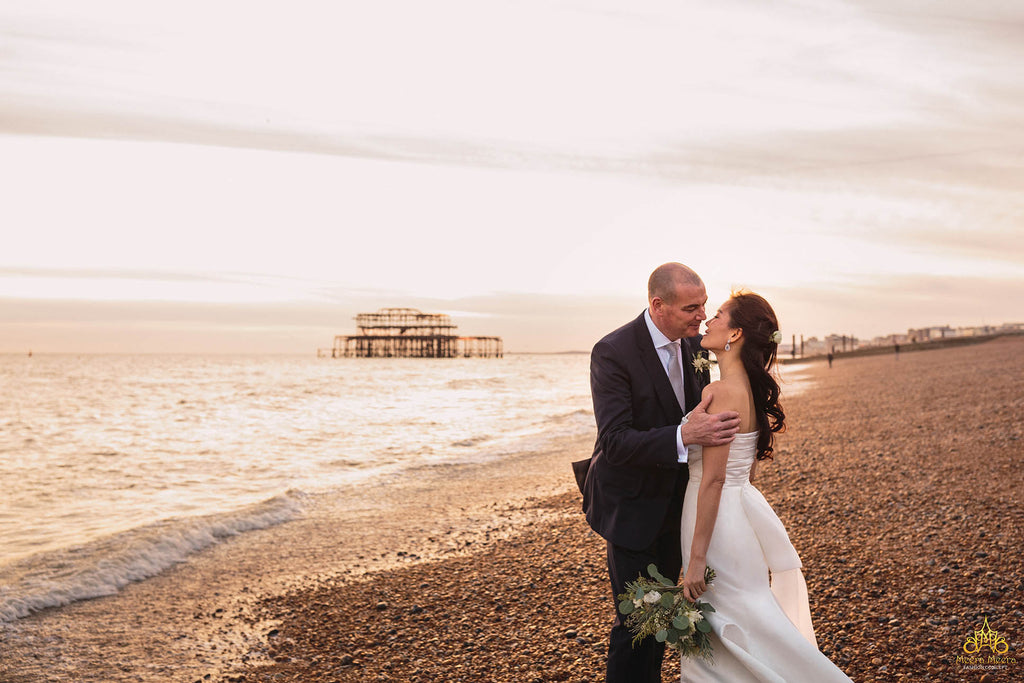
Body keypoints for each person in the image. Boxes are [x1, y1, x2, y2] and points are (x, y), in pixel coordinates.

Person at [577, 263, 741, 683]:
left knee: (677, 616)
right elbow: (614, 441)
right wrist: (684, 434)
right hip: (631, 506)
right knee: (640, 626)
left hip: (682, 505)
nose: (702, 315)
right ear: (658, 305)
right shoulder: (612, 352)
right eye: (691, 307)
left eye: (705, 304)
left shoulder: (696, 348)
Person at [678, 292, 852, 681]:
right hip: (738, 514)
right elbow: (746, 471)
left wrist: (696, 559)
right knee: (746, 610)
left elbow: (715, 478)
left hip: (716, 517)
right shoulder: (749, 390)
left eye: (718, 315)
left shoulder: (723, 391)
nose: (708, 321)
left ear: (735, 333)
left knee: (728, 613)